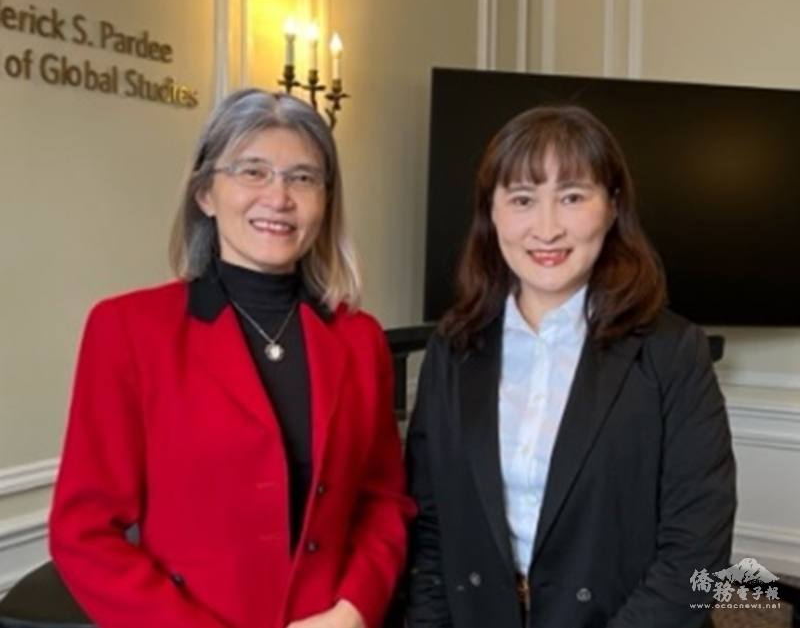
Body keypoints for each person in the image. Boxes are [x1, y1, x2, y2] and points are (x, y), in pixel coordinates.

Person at [50, 88, 415, 628]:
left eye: (303, 178)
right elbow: (83, 533)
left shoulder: (359, 339)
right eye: (252, 171)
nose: (279, 197)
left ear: (325, 201)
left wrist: (353, 610)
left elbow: (383, 501)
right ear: (205, 193)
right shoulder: (127, 330)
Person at [405, 105, 736, 628]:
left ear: (613, 206)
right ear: (492, 213)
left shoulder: (672, 351)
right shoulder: (453, 347)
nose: (547, 228)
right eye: (522, 199)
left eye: (572, 197)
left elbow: (698, 557)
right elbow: (430, 531)